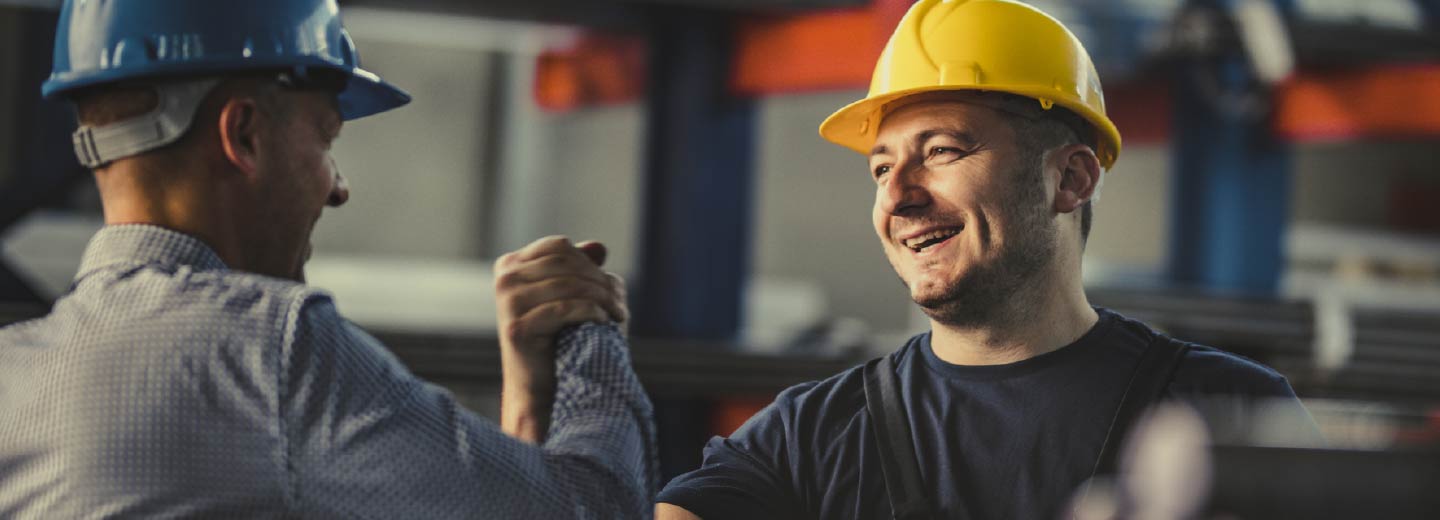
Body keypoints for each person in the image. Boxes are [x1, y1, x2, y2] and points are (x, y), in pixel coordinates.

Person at [656, 1, 1319, 518]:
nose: (897, 198)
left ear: (1072, 180)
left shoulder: (1231, 412)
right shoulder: (808, 436)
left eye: (941, 150)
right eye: (881, 168)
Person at [0, 0, 656, 517]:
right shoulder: (268, 351)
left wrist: (528, 398)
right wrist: (585, 326)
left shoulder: (14, 378)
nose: (337, 187)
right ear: (245, 133)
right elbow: (599, 509)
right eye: (325, 138)